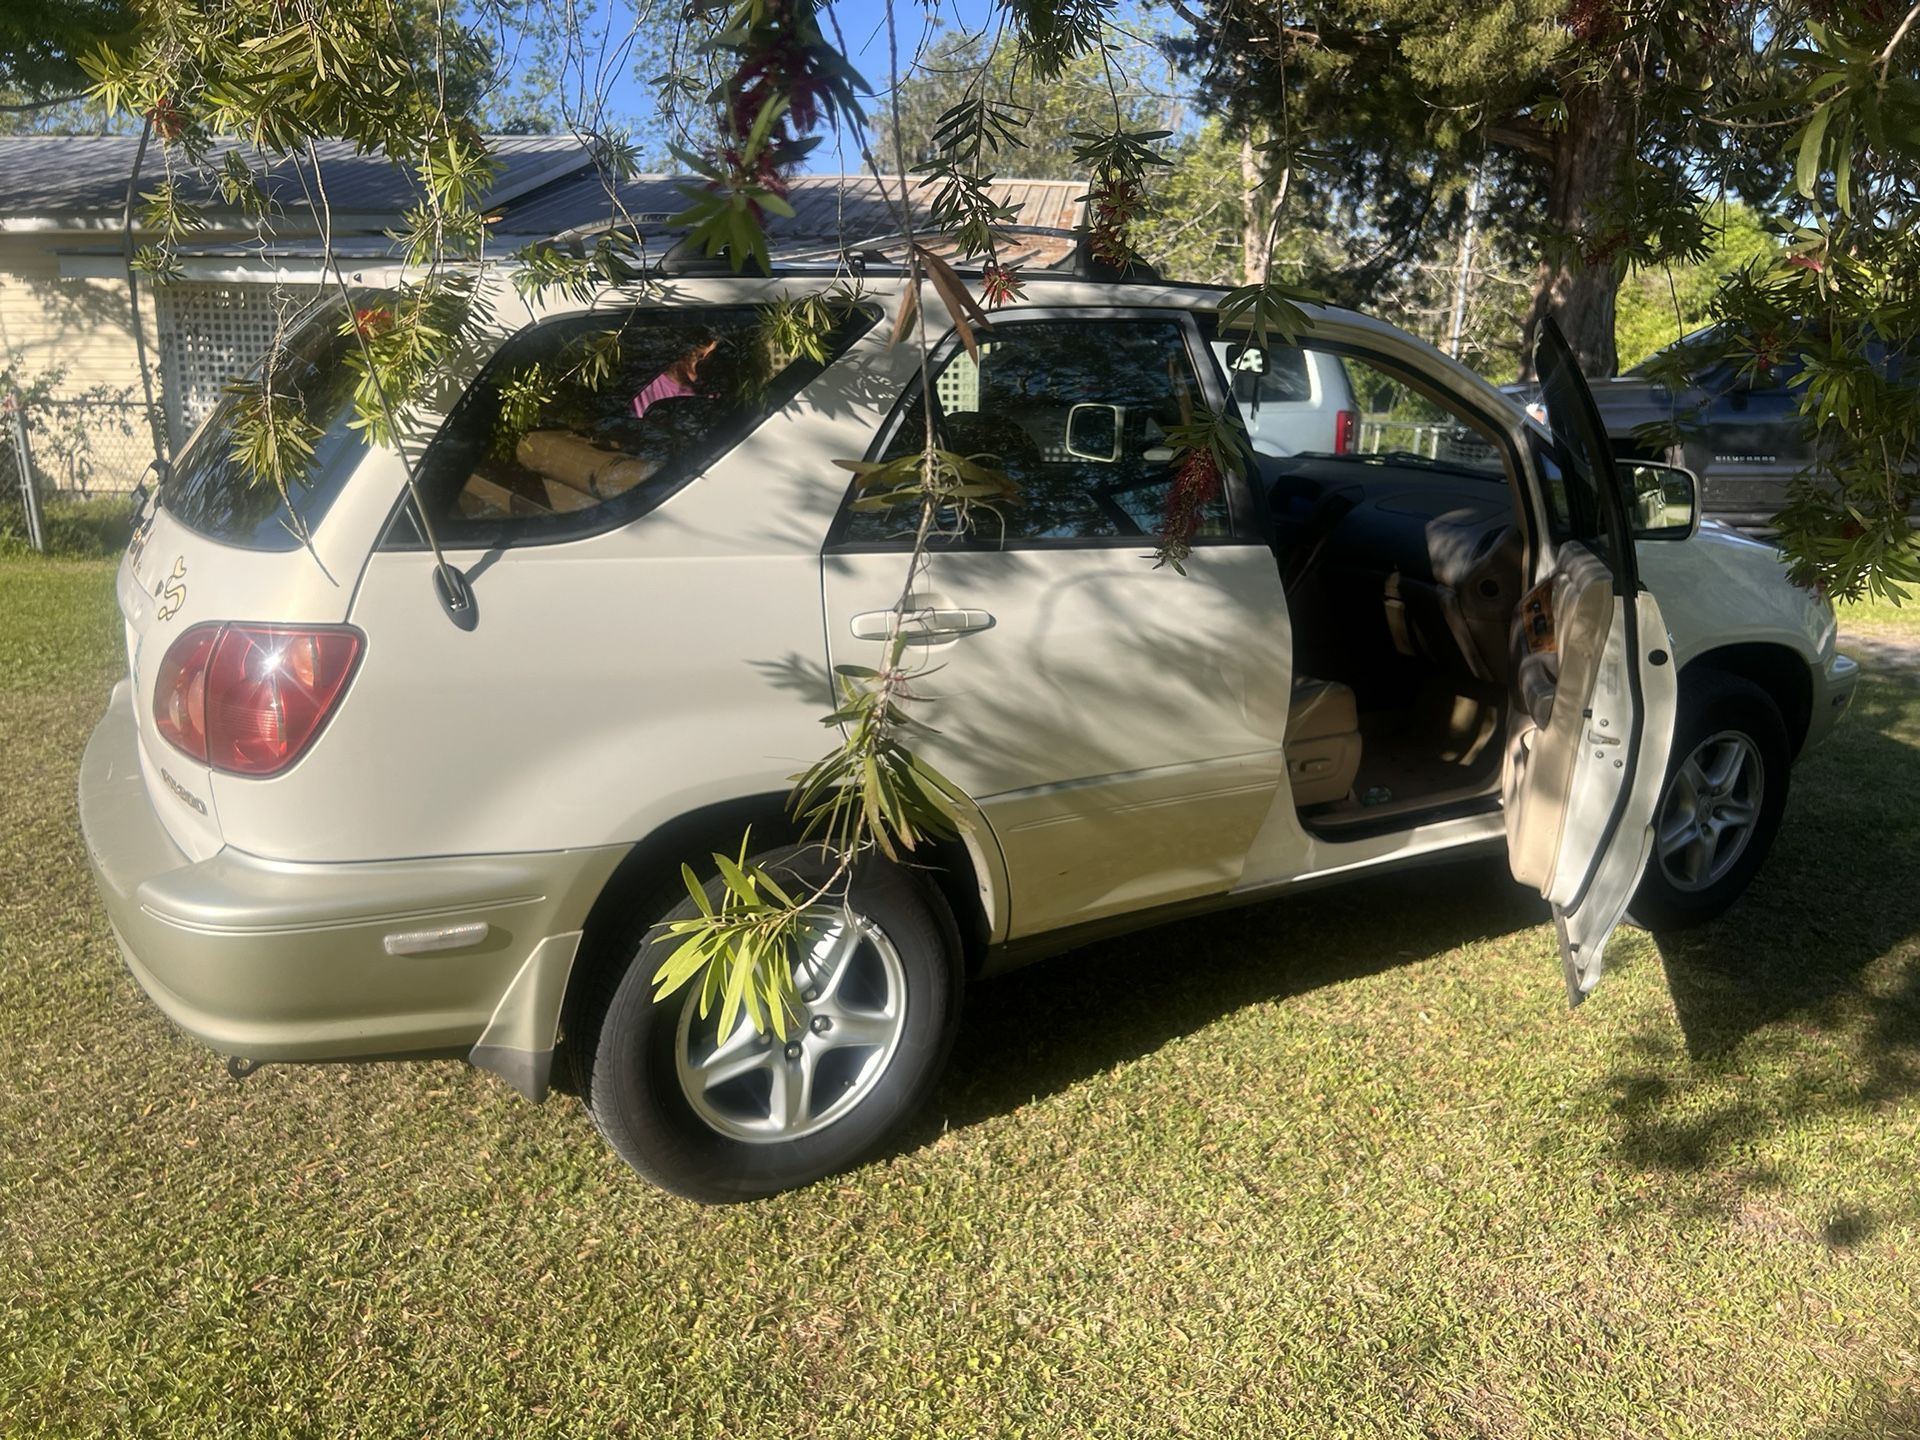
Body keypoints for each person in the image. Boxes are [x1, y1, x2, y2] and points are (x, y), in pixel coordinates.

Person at [632, 335, 720, 419]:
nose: (703, 365)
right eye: (699, 357)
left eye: (710, 359)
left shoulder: (711, 398)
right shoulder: (640, 385)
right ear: (684, 351)